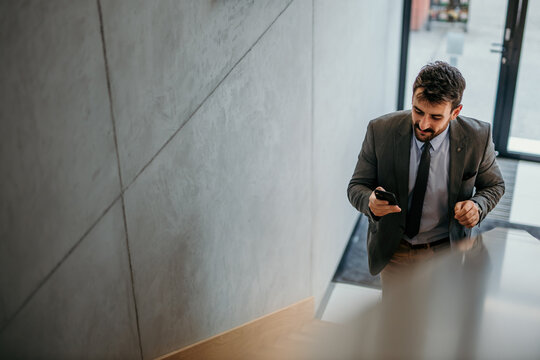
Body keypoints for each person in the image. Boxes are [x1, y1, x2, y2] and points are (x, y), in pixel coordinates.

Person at [347, 61, 505, 292]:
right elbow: (357, 186)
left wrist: (477, 206)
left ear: (455, 112)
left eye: (435, 117)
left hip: (445, 251)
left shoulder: (477, 137)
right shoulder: (380, 130)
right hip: (395, 249)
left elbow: (494, 185)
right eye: (418, 111)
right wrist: (369, 203)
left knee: (438, 321)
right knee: (394, 321)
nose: (423, 124)